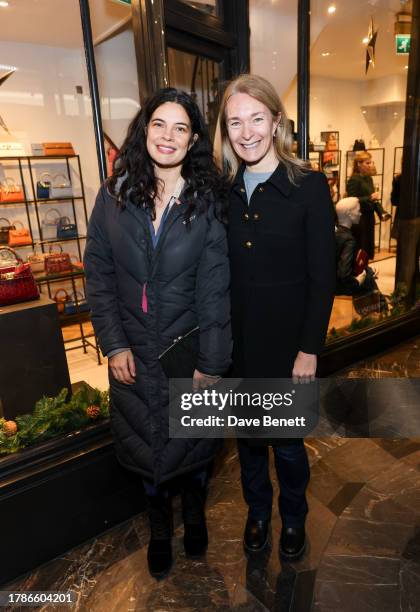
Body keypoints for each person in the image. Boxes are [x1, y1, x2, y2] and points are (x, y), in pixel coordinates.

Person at [84, 88, 231, 578]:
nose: (168, 137)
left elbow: (215, 288)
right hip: (132, 350)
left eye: (181, 128)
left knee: (192, 447)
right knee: (145, 447)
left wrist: (212, 362)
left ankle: (193, 512)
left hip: (186, 347)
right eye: (159, 125)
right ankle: (160, 527)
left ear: (192, 141)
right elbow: (99, 277)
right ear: (144, 130)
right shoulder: (113, 197)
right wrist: (114, 343)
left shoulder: (204, 202)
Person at [218, 74, 336, 560]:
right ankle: (257, 513)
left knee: (287, 446)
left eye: (256, 119)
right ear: (225, 131)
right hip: (237, 348)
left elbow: (323, 278)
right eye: (234, 122)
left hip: (289, 349)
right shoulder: (221, 190)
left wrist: (309, 349)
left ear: (276, 122)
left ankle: (292, 518)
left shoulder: (307, 186)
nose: (246, 132)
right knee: (248, 446)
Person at [335, 197, 387, 315]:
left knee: (367, 272)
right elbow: (343, 274)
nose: (360, 213)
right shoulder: (349, 240)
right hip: (338, 285)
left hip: (329, 280)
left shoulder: (335, 231)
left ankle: (373, 313)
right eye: (357, 210)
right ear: (349, 214)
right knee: (367, 278)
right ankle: (380, 315)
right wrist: (358, 281)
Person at [346, 151, 391, 259]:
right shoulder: (354, 179)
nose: (370, 165)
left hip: (369, 216)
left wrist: (381, 211)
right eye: (367, 163)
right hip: (360, 217)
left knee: (368, 247)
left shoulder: (369, 178)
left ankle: (366, 271)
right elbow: (351, 199)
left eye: (371, 162)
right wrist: (369, 198)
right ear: (359, 164)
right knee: (361, 246)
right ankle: (359, 271)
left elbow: (372, 199)